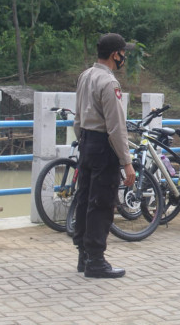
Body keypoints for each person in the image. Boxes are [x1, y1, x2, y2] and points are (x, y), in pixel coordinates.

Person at [72, 33, 136, 278]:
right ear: (115, 55)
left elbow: (78, 118)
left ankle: (83, 255)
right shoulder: (110, 83)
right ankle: (96, 261)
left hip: (86, 142)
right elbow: (116, 127)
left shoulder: (85, 76)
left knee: (85, 198)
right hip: (103, 146)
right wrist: (126, 162)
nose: (124, 58)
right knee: (101, 203)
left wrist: (83, 141)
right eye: (123, 54)